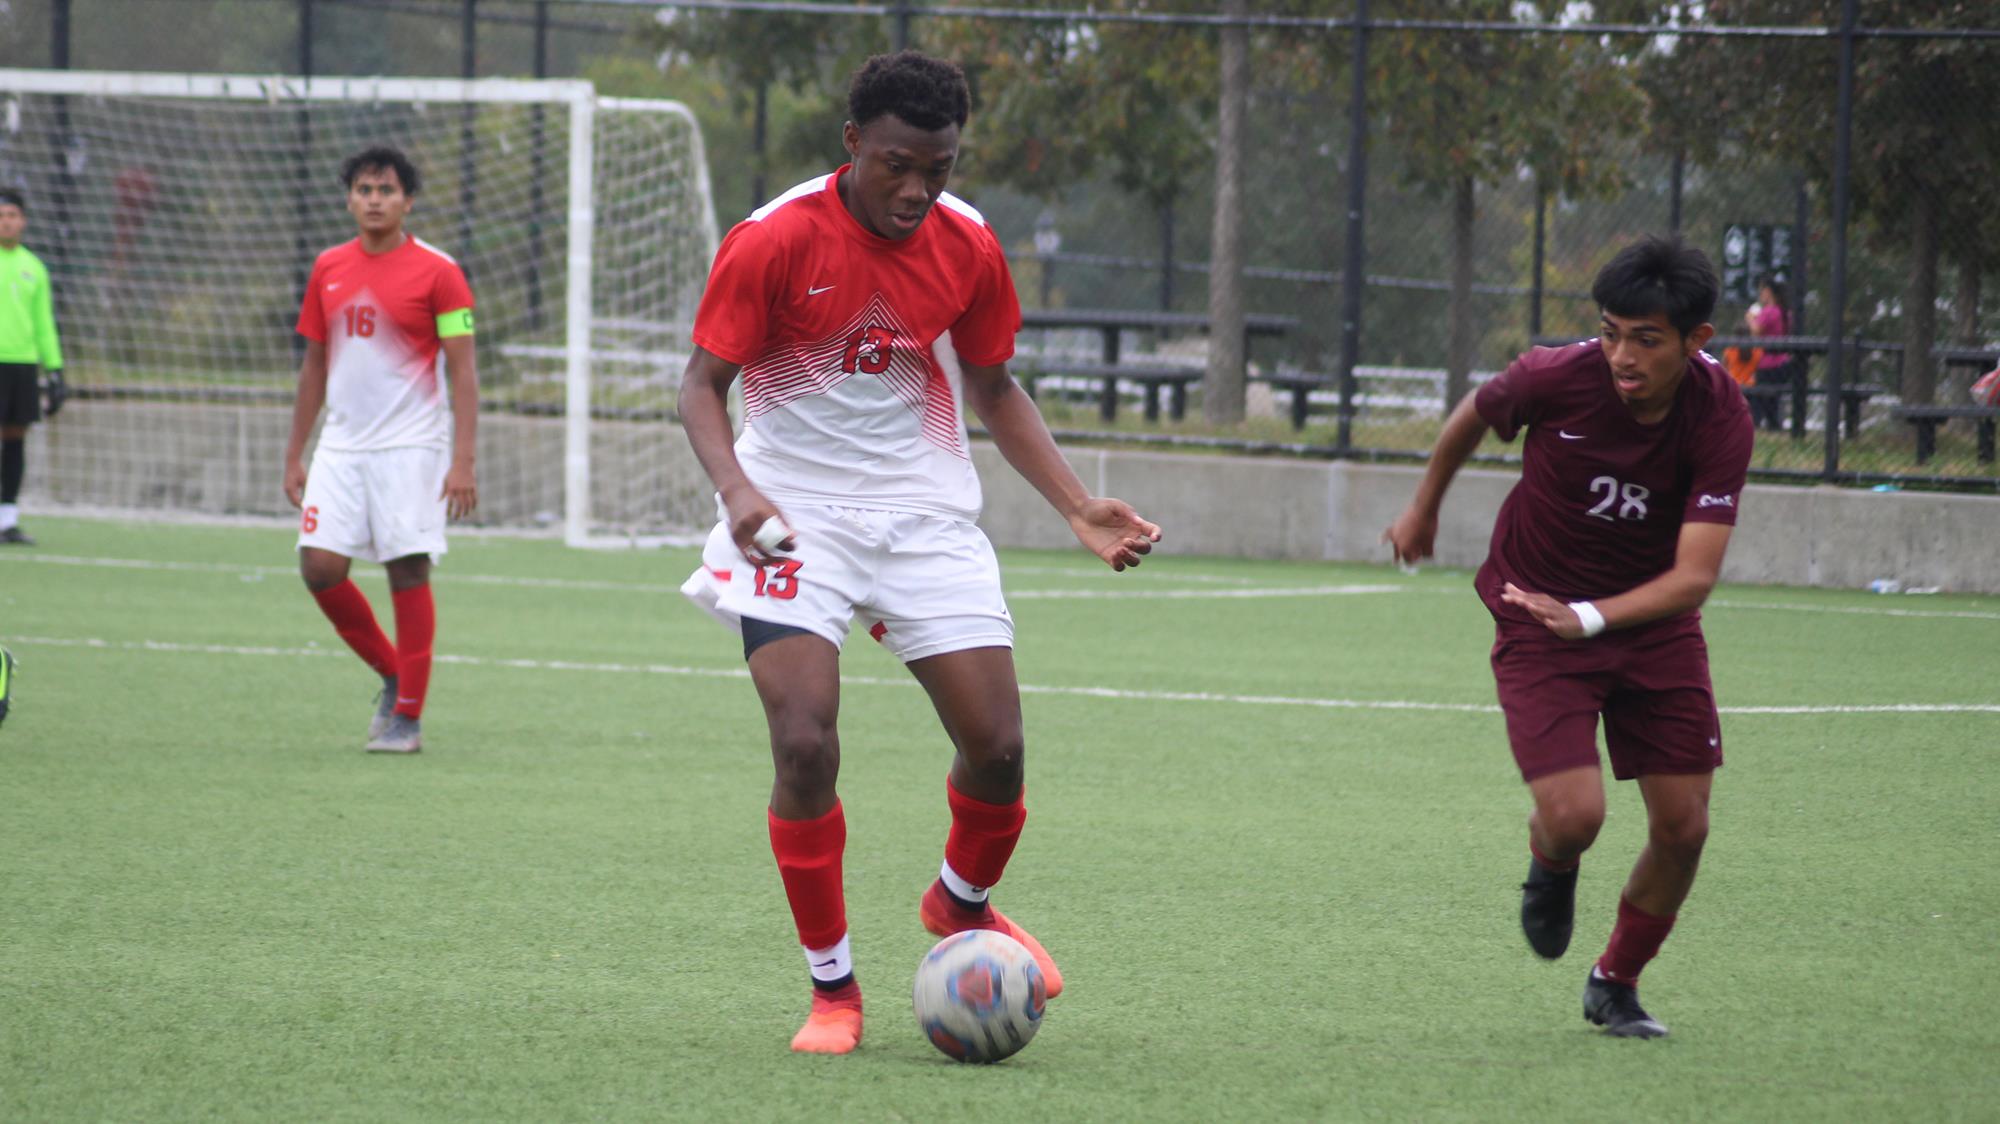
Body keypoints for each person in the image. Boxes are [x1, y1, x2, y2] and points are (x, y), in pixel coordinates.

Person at [677, 50, 1162, 1055]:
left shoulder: (968, 242)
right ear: (853, 144)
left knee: (999, 749)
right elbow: (699, 384)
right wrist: (735, 487)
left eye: (935, 168)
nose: (915, 189)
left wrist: (1075, 504)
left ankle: (958, 901)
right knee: (803, 739)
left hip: (922, 511)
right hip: (791, 512)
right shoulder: (771, 239)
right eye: (896, 164)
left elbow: (991, 387)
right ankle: (833, 988)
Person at [1383, 235, 1752, 1039]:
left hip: (1652, 627)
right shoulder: (1556, 376)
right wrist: (1425, 509)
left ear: (1697, 342)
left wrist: (1591, 616)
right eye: (1612, 330)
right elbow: (1470, 420)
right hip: (1534, 612)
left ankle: (1615, 981)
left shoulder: (1721, 413)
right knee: (1576, 814)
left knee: (1685, 827)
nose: (1622, 355)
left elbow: (1694, 576)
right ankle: (1552, 863)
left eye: (1646, 340)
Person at [282, 146, 479, 754]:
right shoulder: (328, 268)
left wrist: (463, 459)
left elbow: (464, 370)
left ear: (408, 201)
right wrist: (296, 451)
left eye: (386, 190)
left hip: (412, 445)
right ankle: (395, 674)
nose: (374, 199)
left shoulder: (440, 272)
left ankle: (408, 719)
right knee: (319, 568)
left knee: (407, 567)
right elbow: (314, 364)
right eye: (364, 189)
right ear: (349, 198)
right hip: (341, 445)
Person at [0, 188, 67, 546]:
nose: (6, 222)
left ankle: (7, 519)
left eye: (12, 215)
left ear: (23, 220)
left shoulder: (34, 268)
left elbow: (44, 324)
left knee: (14, 440)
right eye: (1, 215)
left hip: (23, 365)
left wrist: (55, 370)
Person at [1743, 276, 1793, 431]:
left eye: (1762, 291)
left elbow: (1756, 332)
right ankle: (1773, 425)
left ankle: (1757, 425)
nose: (1760, 295)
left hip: (1768, 362)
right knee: (1772, 398)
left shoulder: (1769, 311)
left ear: (1768, 291)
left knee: (1760, 397)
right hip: (1783, 360)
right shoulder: (1784, 311)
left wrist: (1750, 318)